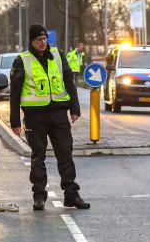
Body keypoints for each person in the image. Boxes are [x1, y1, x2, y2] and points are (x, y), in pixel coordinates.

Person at [10, 24, 90, 211]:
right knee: (38, 156)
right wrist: (15, 121)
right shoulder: (22, 60)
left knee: (65, 154)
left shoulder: (58, 55)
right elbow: (14, 93)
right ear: (31, 40)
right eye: (39, 39)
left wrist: (74, 108)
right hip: (34, 116)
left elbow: (69, 82)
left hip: (58, 114)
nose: (43, 42)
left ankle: (71, 194)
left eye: (45, 38)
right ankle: (39, 196)